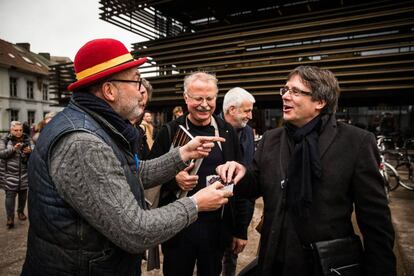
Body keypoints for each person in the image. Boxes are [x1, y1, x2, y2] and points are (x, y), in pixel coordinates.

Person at [21, 38, 233, 276]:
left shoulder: (99, 125)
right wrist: (195, 204)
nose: (141, 89)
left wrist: (183, 154)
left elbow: (131, 172)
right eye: (135, 80)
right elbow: (135, 231)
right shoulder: (83, 143)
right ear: (109, 90)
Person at [217, 66, 396, 275]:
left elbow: (376, 222)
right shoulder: (271, 139)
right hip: (274, 260)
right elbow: (255, 184)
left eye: (295, 91)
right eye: (285, 90)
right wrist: (241, 173)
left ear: (320, 102)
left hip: (323, 265)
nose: (285, 97)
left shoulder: (356, 142)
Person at [150, 72, 251, 276]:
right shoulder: (169, 131)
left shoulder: (226, 131)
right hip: (178, 229)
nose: (204, 104)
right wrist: (173, 179)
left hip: (216, 229)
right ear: (186, 98)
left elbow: (239, 181)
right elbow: (149, 174)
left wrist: (240, 229)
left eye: (210, 98)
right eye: (198, 99)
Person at [220, 87, 256, 276]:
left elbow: (248, 180)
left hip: (240, 211)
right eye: (246, 111)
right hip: (214, 217)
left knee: (231, 260)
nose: (250, 115)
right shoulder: (211, 130)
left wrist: (242, 229)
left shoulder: (248, 132)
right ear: (231, 110)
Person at [0, 121, 32, 228]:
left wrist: (30, 151)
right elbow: (1, 154)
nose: (18, 132)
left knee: (23, 196)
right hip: (9, 174)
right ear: (11, 130)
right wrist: (14, 149)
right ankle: (10, 218)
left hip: (24, 173)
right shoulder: (5, 140)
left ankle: (20, 212)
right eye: (15, 130)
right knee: (10, 197)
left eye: (20, 130)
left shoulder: (27, 139)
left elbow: (35, 150)